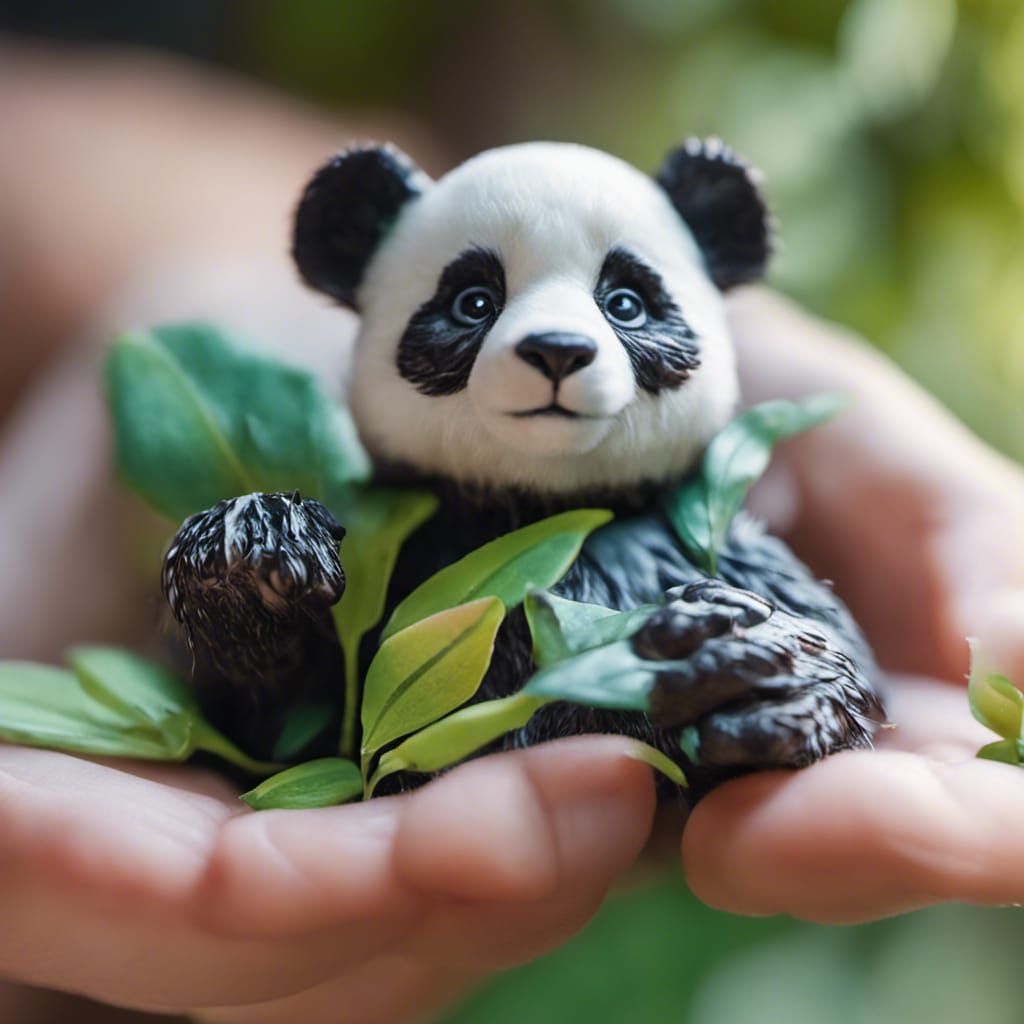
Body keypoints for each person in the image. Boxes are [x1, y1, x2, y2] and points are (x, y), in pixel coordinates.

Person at [1, 43, 1022, 1024]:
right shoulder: (349, 530)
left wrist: (793, 674)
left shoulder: (711, 536)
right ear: (354, 266)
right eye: (476, 299)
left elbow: (836, 672)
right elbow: (262, 706)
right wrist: (229, 580)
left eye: (623, 300)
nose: (557, 338)